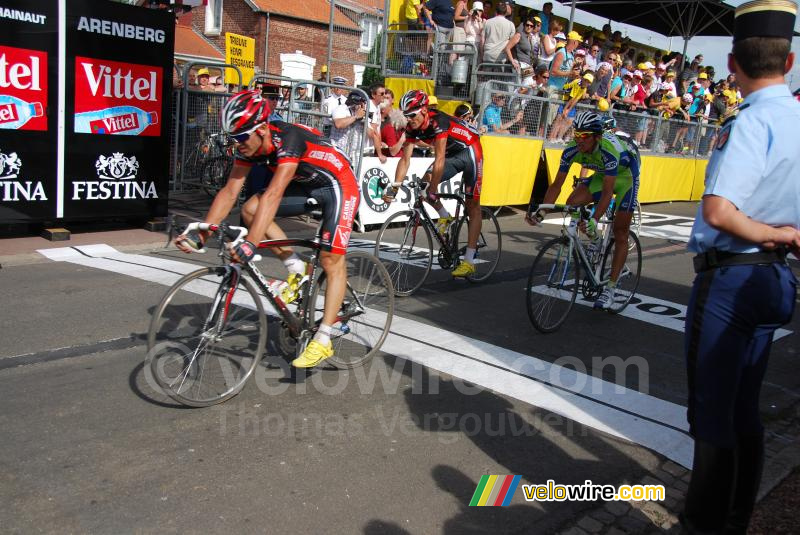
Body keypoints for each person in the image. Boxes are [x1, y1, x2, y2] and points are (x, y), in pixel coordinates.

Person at [681, 2, 800, 533]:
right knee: (745, 407)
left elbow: (719, 210)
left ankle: (705, 524)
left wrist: (775, 232)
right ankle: (736, 516)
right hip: (774, 278)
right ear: (790, 61)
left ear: (732, 64)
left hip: (731, 275)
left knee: (711, 413)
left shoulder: (750, 123)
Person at [175, 90, 361, 368]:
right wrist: (203, 234)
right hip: (308, 181)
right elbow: (229, 191)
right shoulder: (250, 145)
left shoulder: (288, 140)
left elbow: (274, 195)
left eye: (239, 138)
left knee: (330, 258)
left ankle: (323, 339)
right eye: (232, 139)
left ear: (261, 129)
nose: (237, 145)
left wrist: (250, 243)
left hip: (338, 184)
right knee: (249, 209)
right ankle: (297, 269)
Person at [530, 111, 641, 309]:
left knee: (620, 231)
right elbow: (557, 185)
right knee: (573, 202)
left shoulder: (608, 151)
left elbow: (607, 194)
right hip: (602, 175)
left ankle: (611, 289)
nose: (578, 140)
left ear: (597, 137)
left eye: (584, 136)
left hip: (626, 177)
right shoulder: (572, 149)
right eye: (576, 134)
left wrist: (595, 219)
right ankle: (596, 240)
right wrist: (542, 212)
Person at [384, 90, 484, 278]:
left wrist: (434, 189)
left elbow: (439, 160)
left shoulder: (439, 121)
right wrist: (394, 187)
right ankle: (445, 216)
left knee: (473, 205)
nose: (409, 119)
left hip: (470, 150)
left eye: (412, 115)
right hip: (453, 155)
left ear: (423, 110)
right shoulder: (412, 127)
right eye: (405, 115)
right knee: (423, 187)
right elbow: (405, 160)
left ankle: (469, 261)